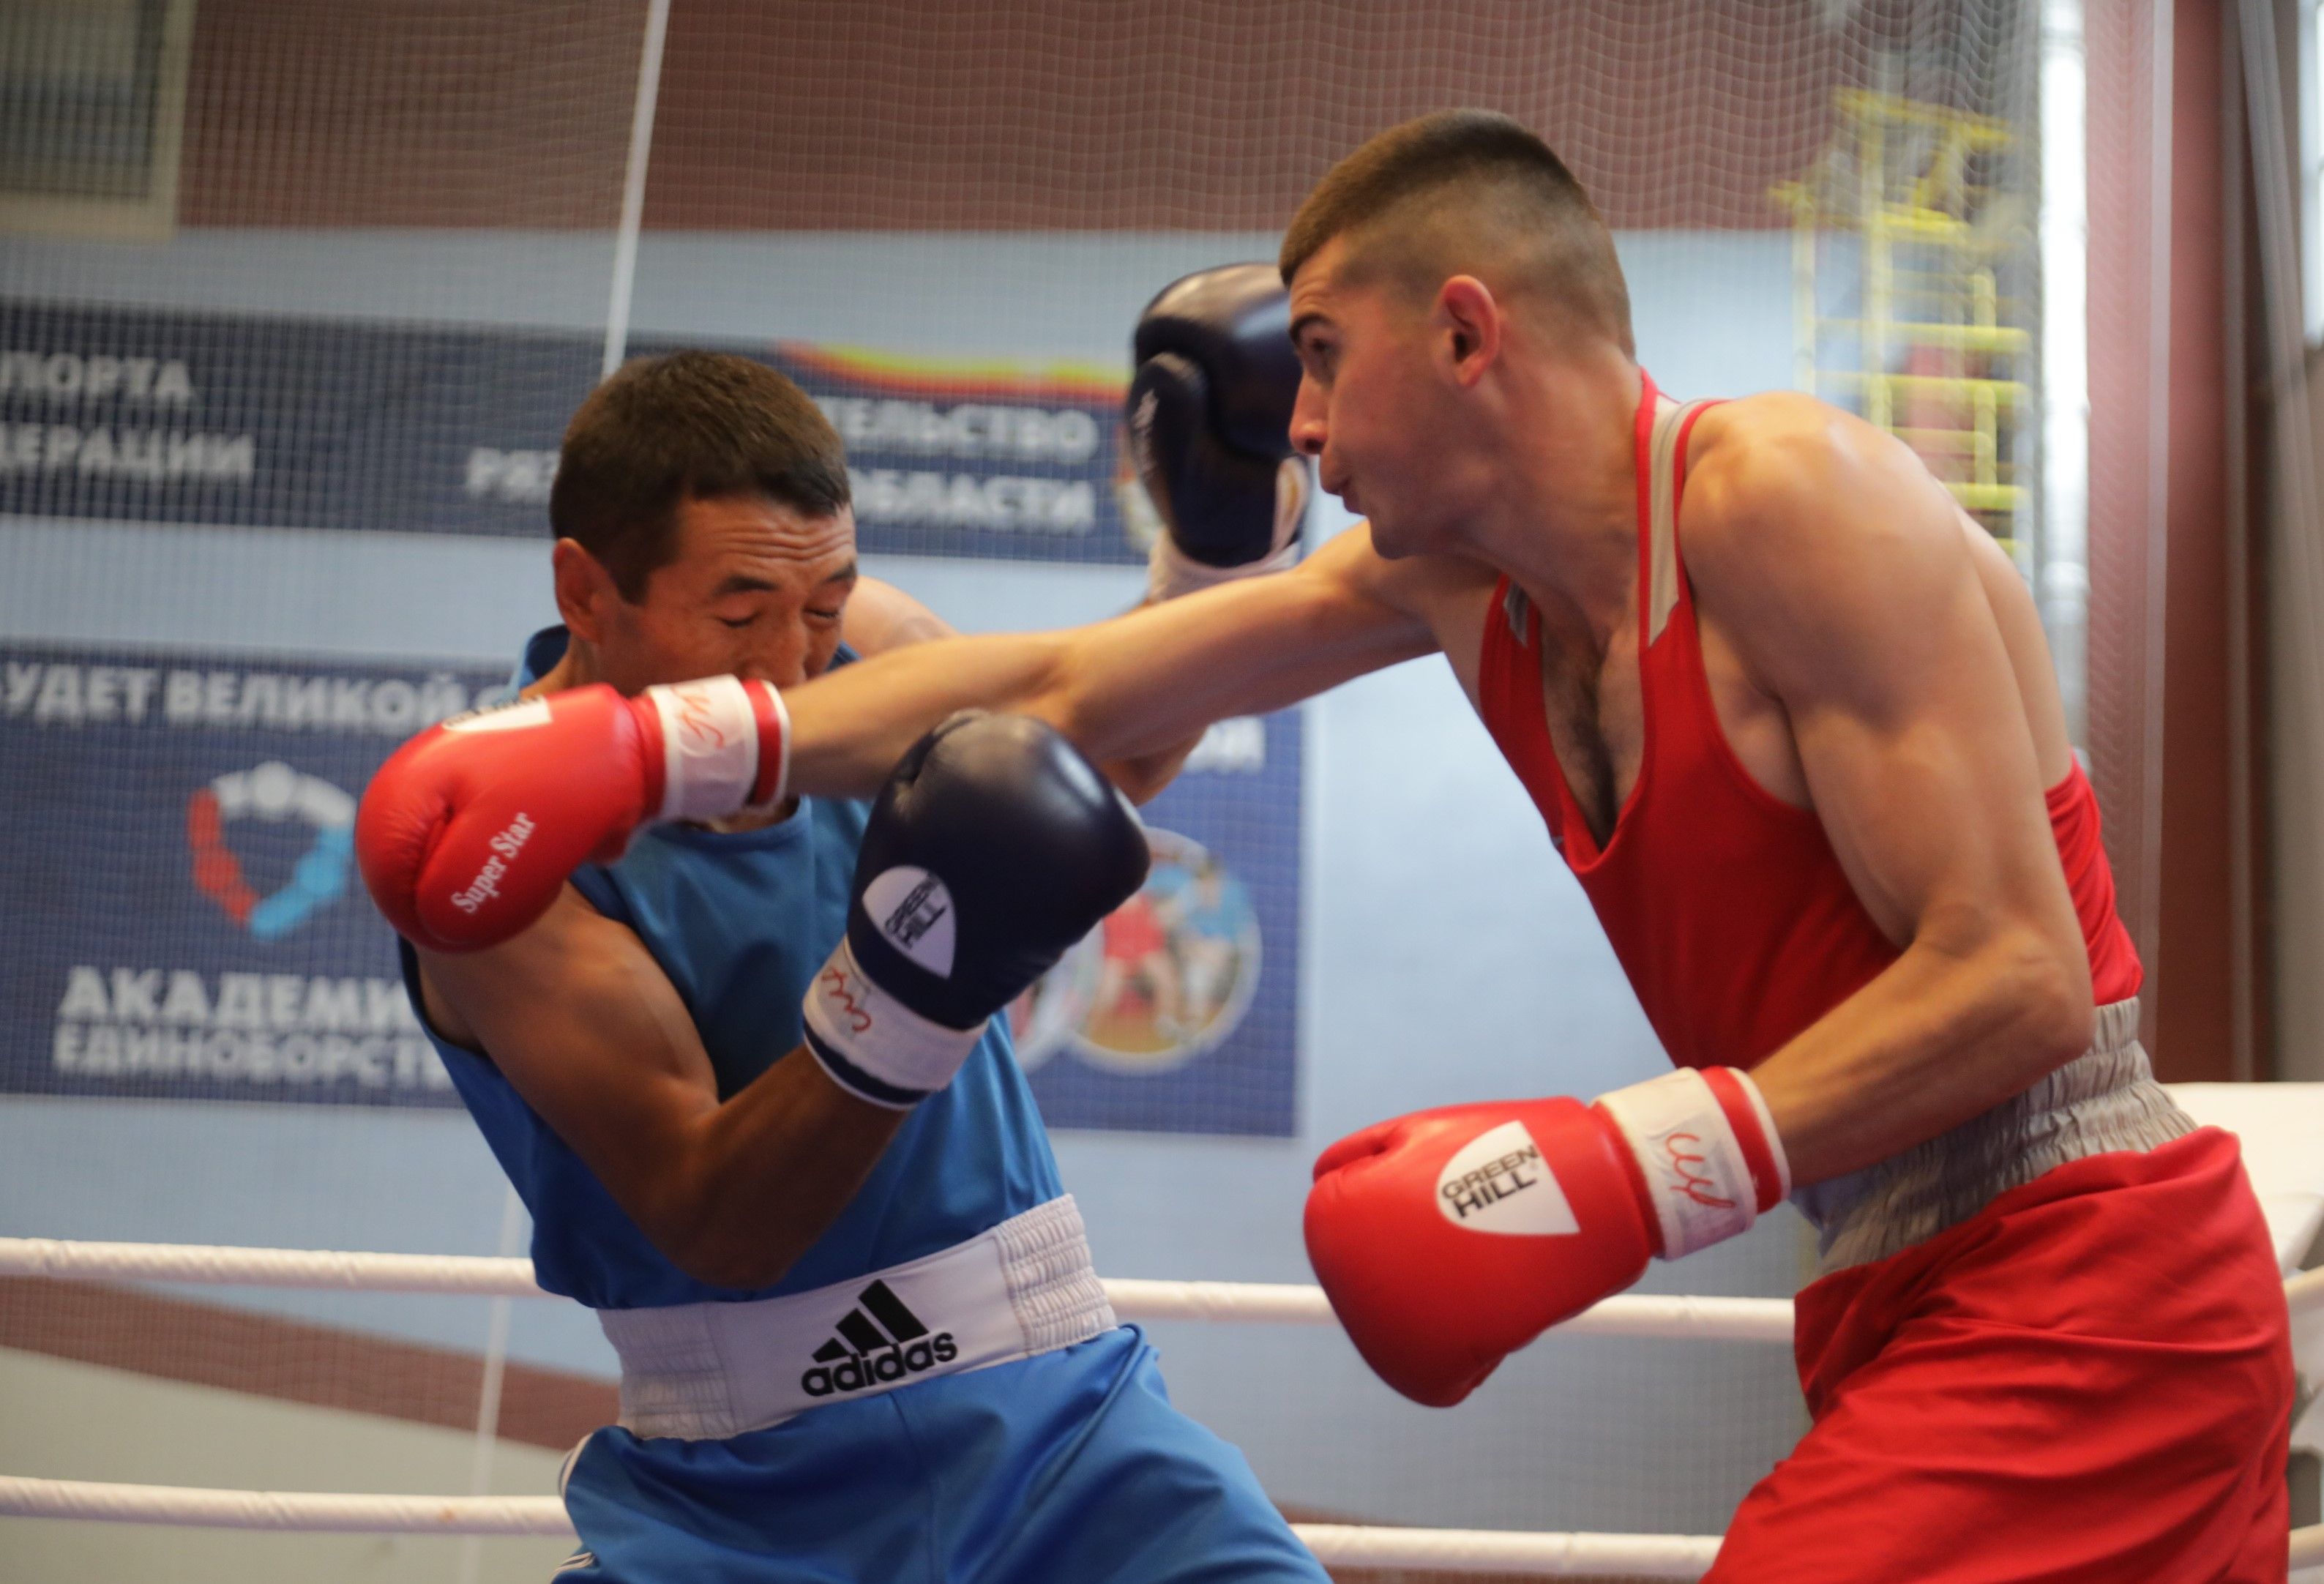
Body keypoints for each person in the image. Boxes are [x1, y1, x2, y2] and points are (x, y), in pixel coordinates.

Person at [729, 113, 2295, 1580]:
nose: (1304, 424)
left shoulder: (1789, 498)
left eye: (1325, 355)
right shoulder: (1461, 588)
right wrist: (669, 747)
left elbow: (2022, 979)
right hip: (1886, 1280)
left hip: (2087, 1273)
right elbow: (1072, 686)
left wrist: (1644, 1161)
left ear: (1468, 335)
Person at [354, 349, 1332, 1583]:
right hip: (743, 1501)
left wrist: (1212, 564)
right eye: (739, 617)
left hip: (1067, 1429)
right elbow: (717, 1220)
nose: (790, 668)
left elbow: (1100, 749)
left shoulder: (859, 640)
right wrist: (913, 989)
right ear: (586, 591)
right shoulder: (496, 848)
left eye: (822, 606)